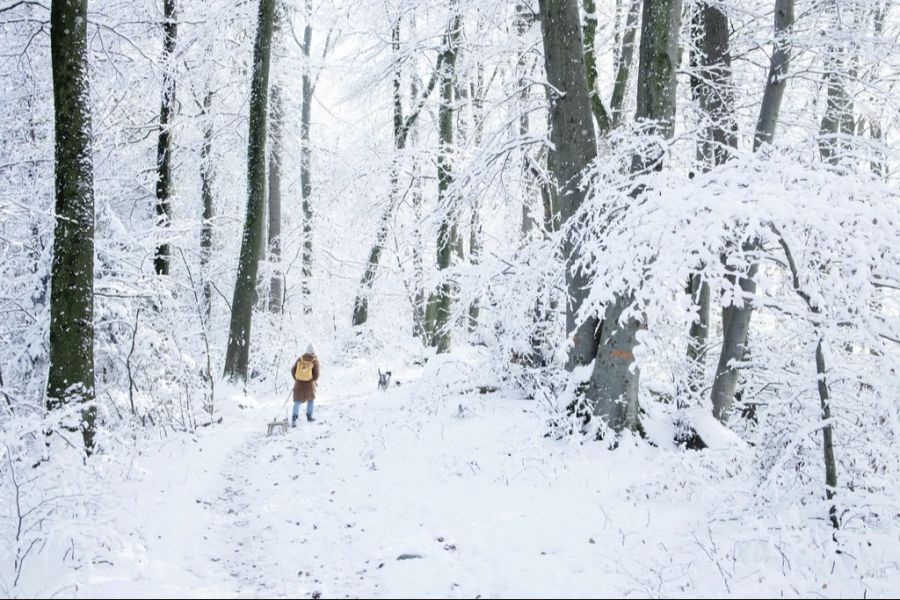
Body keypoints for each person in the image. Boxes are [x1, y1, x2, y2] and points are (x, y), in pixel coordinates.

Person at [290, 343, 320, 426]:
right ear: (313, 352)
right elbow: (316, 375)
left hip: (298, 384)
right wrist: (312, 380)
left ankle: (294, 418)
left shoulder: (300, 359)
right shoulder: (315, 361)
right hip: (309, 385)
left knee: (297, 401)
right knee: (310, 400)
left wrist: (297, 379)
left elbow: (292, 370)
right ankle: (309, 416)